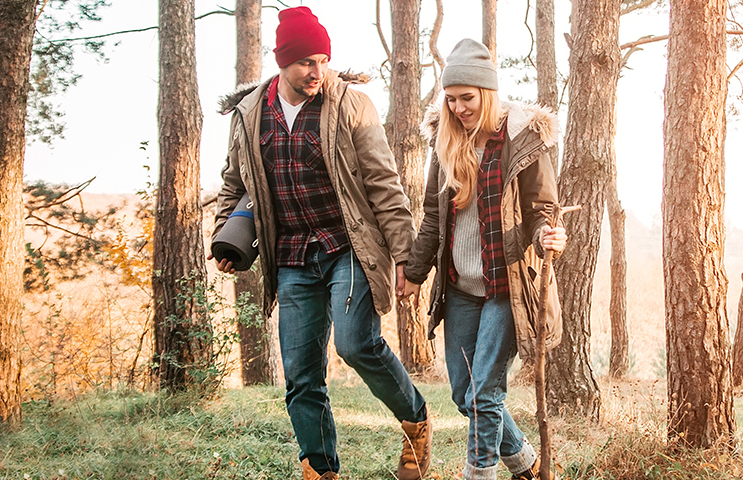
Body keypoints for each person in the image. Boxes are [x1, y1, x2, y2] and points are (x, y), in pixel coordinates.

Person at [210, 7, 431, 480]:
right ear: (281, 61)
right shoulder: (250, 114)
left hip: (346, 245)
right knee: (302, 373)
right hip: (290, 256)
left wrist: (406, 259)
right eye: (306, 62)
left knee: (356, 344)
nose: (317, 72)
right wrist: (223, 236)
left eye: (323, 60)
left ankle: (415, 419)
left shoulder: (349, 104)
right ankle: (321, 470)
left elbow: (383, 183)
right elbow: (235, 181)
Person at [403, 38, 567, 480]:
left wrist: (547, 235)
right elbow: (433, 218)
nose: (458, 108)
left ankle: (480, 474)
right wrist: (415, 273)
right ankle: (526, 464)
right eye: (451, 99)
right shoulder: (444, 140)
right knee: (464, 392)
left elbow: (540, 209)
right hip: (460, 288)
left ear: (487, 92)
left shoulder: (522, 138)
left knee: (485, 392)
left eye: (467, 98)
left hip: (506, 287)